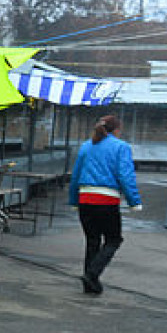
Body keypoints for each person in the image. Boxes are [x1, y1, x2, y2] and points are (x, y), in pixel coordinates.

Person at [68, 113, 142, 295]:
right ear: (116, 130)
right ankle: (92, 274)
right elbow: (125, 175)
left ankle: (89, 285)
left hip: (85, 199)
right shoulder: (121, 147)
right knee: (113, 239)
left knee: (92, 241)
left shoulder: (86, 146)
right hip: (106, 200)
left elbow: (75, 176)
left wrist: (73, 200)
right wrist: (134, 201)